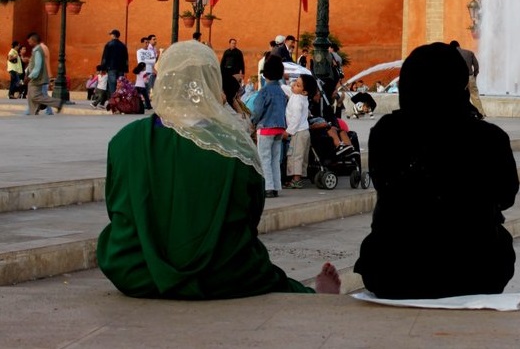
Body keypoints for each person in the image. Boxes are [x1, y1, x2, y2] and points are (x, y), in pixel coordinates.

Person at [95, 41, 340, 299]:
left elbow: (116, 205)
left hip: (135, 271)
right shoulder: (234, 146)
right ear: (212, 83)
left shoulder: (125, 141)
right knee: (257, 267)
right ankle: (317, 295)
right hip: (221, 275)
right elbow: (250, 217)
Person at [354, 42, 519, 299]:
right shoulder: (490, 138)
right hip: (476, 272)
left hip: (392, 272)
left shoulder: (386, 132)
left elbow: (384, 184)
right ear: (460, 82)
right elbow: (506, 196)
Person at [251, 55, 287, 198]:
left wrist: (253, 122)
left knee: (264, 157)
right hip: (279, 128)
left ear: (265, 73)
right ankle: (276, 186)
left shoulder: (264, 91)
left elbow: (258, 111)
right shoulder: (281, 91)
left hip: (266, 128)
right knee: (275, 157)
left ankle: (268, 187)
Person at [24, 33, 63, 115]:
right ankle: (33, 112)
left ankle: (57, 103)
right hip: (34, 78)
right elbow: (33, 64)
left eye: (29, 41)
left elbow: (37, 67)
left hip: (36, 79)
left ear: (34, 41)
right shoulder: (35, 51)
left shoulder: (38, 51)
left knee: (35, 96)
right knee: (31, 96)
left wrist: (29, 77)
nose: (29, 43)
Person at [284, 74, 311, 189]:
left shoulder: (298, 101)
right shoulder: (298, 96)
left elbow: (296, 118)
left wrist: (288, 132)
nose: (293, 86)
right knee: (301, 155)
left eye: (297, 85)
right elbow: (286, 88)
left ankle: (296, 180)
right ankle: (297, 178)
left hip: (298, 132)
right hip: (304, 131)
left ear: (304, 92)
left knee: (295, 155)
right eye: (295, 83)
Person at [451, 40, 484, 118]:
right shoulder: (469, 53)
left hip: (458, 79)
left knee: (457, 96)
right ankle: (481, 113)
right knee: (475, 96)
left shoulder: (452, 54)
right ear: (459, 46)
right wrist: (475, 75)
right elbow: (476, 65)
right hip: (470, 77)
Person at [101, 29, 129, 102]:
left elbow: (105, 57)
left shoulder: (109, 44)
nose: (110, 35)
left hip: (111, 68)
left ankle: (113, 102)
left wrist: (102, 68)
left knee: (112, 86)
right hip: (121, 68)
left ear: (113, 35)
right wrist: (126, 69)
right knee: (120, 86)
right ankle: (119, 101)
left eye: (111, 34)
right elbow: (126, 58)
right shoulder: (123, 45)